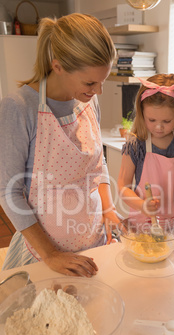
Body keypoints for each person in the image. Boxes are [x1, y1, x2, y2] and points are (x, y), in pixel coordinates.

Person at [0, 13, 121, 277]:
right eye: (90, 82)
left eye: (103, 81)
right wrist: (52, 255)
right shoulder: (19, 107)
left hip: (94, 243)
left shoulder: (89, 101)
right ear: (58, 67)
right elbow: (9, 192)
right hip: (43, 254)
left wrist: (109, 209)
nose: (98, 91)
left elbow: (97, 165)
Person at [117, 73, 174, 233]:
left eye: (166, 121)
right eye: (152, 120)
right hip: (143, 225)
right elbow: (122, 187)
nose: (159, 127)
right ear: (142, 113)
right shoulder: (135, 145)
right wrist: (142, 205)